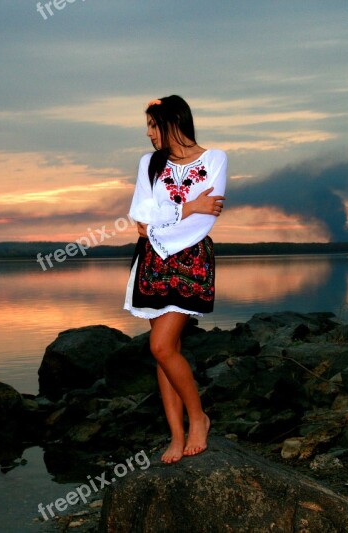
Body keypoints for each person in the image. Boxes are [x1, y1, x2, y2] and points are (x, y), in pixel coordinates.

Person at [123, 95, 227, 463]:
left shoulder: (214, 158)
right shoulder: (148, 164)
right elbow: (140, 218)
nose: (150, 134)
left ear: (172, 122)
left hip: (191, 260)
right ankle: (176, 435)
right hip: (152, 262)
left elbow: (206, 219)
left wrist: (163, 225)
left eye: (154, 125)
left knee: (161, 347)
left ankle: (199, 418)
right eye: (148, 127)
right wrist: (187, 207)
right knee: (167, 353)